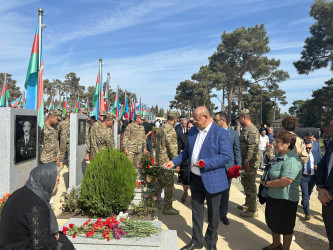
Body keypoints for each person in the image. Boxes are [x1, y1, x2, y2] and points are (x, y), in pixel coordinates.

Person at [164, 106, 232, 250]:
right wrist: (173, 161)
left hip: (213, 180)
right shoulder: (194, 130)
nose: (193, 121)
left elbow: (226, 156)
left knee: (213, 215)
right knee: (196, 211)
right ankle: (196, 240)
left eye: (196, 118)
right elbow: (187, 153)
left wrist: (205, 163)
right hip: (195, 178)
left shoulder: (219, 133)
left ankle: (211, 242)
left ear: (206, 117)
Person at [0, 163, 74, 249]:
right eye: (57, 180)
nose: (58, 182)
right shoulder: (36, 205)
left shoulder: (19, 193)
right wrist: (55, 238)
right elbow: (40, 245)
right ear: (47, 180)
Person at [260, 130, 302, 250]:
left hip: (286, 200)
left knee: (286, 227)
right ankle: (276, 244)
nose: (274, 143)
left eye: (278, 141)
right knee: (273, 222)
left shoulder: (292, 160)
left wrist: (267, 183)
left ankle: (285, 248)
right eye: (275, 141)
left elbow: (285, 181)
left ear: (287, 143)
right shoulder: (278, 156)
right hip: (273, 196)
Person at [214, 111, 242, 226]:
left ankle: (223, 214)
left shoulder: (234, 134)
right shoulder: (213, 132)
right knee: (215, 192)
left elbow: (237, 150)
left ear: (223, 121)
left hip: (228, 168)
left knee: (225, 192)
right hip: (216, 166)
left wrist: (238, 165)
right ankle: (214, 213)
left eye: (216, 120)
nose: (214, 122)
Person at [153, 113, 179, 215]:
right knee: (169, 184)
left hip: (159, 159)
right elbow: (172, 148)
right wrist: (176, 162)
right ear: (175, 119)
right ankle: (167, 208)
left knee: (159, 182)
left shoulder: (161, 128)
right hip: (167, 162)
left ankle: (153, 201)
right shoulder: (170, 130)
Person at [238, 109, 261, 218]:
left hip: (249, 164)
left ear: (244, 118)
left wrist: (247, 162)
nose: (238, 120)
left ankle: (253, 209)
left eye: (239, 118)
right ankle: (248, 204)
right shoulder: (245, 129)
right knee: (245, 183)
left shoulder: (252, 130)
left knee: (250, 185)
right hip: (244, 162)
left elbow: (252, 149)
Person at [316, 139, 333, 249]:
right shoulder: (332, 143)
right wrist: (321, 187)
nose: (331, 123)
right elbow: (322, 165)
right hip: (327, 199)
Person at [300, 139, 322, 220]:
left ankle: (304, 202)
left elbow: (322, 165)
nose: (308, 150)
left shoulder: (317, 154)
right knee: (305, 194)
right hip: (303, 177)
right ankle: (307, 213)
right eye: (307, 148)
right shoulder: (300, 155)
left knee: (308, 193)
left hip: (313, 178)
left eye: (310, 148)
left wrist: (318, 167)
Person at [176, 120, 193, 203]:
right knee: (185, 179)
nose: (190, 128)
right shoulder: (183, 136)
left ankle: (194, 197)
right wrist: (180, 151)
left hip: (194, 162)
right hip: (185, 162)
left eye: (191, 127)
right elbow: (179, 148)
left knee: (194, 181)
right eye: (188, 127)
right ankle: (185, 192)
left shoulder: (198, 136)